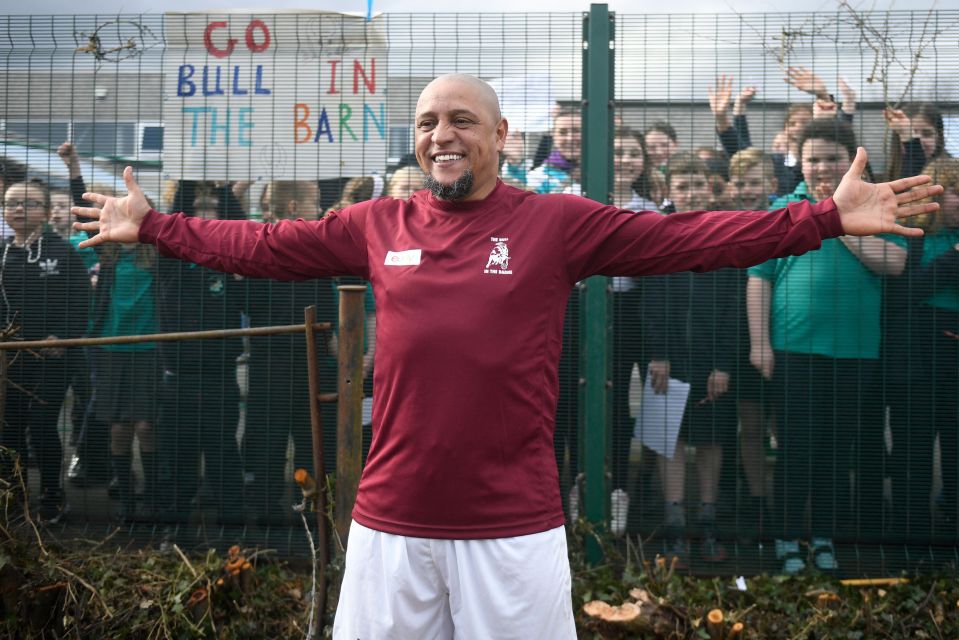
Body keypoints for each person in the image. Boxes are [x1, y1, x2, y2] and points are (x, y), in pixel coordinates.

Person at [74, 74, 939, 639]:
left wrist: (821, 218)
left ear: (498, 134)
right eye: (424, 123)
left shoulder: (555, 223)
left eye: (460, 120)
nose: (439, 135)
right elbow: (261, 245)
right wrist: (153, 226)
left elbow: (687, 239)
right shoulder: (378, 224)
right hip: (389, 523)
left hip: (512, 528)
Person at [747, 119, 908, 574]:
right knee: (796, 449)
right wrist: (761, 345)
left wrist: (841, 221)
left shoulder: (879, 205)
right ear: (800, 161)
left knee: (838, 453)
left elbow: (894, 263)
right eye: (813, 158)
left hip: (856, 353)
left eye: (832, 158)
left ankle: (823, 538)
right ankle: (786, 538)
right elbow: (758, 282)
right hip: (794, 352)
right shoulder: (783, 206)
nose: (821, 167)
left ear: (852, 161)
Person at [639, 153, 739, 564]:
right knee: (670, 442)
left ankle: (708, 522)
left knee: (711, 442)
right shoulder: (657, 235)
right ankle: (675, 524)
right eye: (682, 187)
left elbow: (734, 304)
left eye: (698, 185)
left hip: (712, 360)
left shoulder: (726, 234)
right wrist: (658, 355)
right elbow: (650, 301)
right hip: (670, 359)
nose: (691, 192)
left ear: (711, 188)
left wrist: (724, 363)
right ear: (668, 193)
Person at [0, 179, 90, 522]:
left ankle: (52, 494)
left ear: (45, 211)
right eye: (11, 203)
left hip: (53, 358)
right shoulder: (3, 251)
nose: (19, 209)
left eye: (29, 203)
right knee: (8, 429)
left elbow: (82, 301)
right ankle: (13, 493)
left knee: (40, 425)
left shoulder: (62, 251)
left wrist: (62, 337)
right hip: (10, 359)